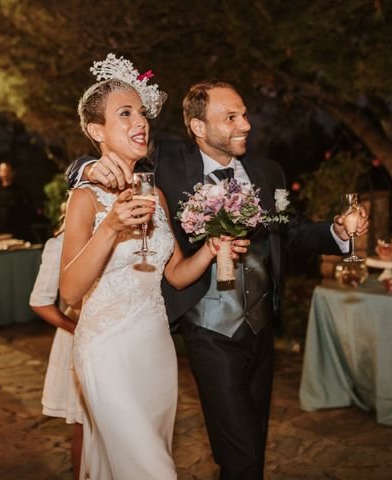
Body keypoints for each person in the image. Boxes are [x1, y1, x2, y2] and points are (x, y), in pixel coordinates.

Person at [68, 80, 369, 480]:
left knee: (252, 440)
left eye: (244, 114)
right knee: (237, 453)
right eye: (230, 117)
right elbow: (111, 154)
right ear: (198, 126)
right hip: (207, 328)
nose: (245, 124)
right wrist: (85, 168)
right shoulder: (169, 163)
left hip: (261, 328)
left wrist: (337, 234)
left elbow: (289, 228)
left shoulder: (269, 172)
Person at [59, 55, 245, 480]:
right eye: (124, 113)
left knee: (141, 461)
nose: (140, 121)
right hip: (107, 352)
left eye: (141, 112)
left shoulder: (156, 195)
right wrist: (109, 228)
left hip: (156, 349)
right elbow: (69, 292)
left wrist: (212, 247)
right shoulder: (85, 199)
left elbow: (176, 274)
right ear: (96, 131)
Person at [29, 206, 84, 480]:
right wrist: (77, 328)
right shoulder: (61, 242)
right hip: (82, 338)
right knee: (86, 425)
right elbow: (40, 301)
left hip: (125, 335)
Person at [0, 162, 33, 240]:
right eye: (2, 171)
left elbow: (28, 213)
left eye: (7, 171)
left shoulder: (20, 192)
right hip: (1, 235)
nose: (4, 174)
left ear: (12, 173)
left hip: (19, 235)